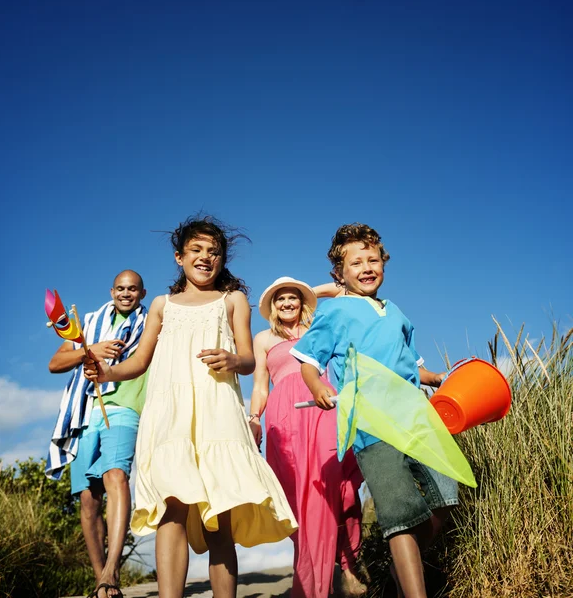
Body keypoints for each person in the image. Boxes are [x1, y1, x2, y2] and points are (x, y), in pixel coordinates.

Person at [84, 216, 297, 598]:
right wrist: (107, 372)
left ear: (222, 260)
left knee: (220, 518)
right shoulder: (163, 306)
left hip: (218, 414)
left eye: (214, 252)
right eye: (196, 250)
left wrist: (233, 361)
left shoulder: (232, 301)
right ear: (179, 257)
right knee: (172, 509)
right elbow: (141, 361)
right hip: (170, 416)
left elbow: (249, 359)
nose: (205, 257)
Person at [291, 224, 453, 598]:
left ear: (384, 263)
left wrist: (436, 377)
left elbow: (412, 363)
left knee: (446, 495)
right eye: (355, 262)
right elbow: (308, 362)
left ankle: (400, 565)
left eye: (373, 259)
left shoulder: (396, 312)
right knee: (398, 515)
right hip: (371, 424)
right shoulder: (334, 311)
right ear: (340, 273)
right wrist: (318, 387)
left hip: (415, 416)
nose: (366, 267)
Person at [249, 276, 366, 598]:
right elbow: (260, 385)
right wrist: (253, 417)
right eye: (280, 299)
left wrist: (309, 293)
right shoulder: (263, 338)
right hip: (284, 418)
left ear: (302, 303)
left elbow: (346, 292)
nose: (286, 304)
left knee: (340, 488)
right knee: (298, 496)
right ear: (271, 306)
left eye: (292, 298)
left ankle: (347, 564)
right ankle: (314, 570)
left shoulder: (319, 327)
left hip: (323, 405)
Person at [46, 270, 148, 598]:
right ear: (112, 290)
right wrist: (90, 351)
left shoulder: (153, 323)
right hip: (86, 412)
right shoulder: (88, 322)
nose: (126, 294)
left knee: (115, 476)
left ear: (142, 293)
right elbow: (55, 363)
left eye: (132, 289)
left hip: (127, 409)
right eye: (121, 288)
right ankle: (101, 579)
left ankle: (111, 574)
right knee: (89, 498)